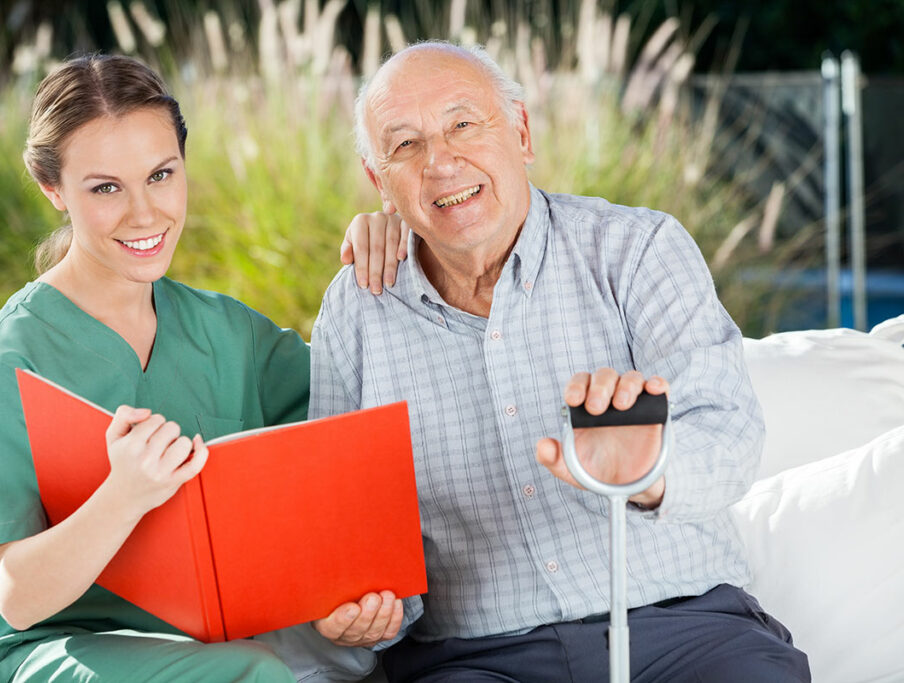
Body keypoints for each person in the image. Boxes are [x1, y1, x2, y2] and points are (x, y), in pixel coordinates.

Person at [308, 41, 811, 681]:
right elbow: (354, 528)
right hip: (476, 660)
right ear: (380, 180)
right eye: (405, 145)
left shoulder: (637, 249)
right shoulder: (358, 309)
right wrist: (370, 609)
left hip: (686, 629)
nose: (440, 162)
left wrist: (647, 470)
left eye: (464, 124)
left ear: (520, 132)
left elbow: (728, 434)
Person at [0, 54, 402, 682]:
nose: (144, 214)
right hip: (21, 648)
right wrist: (125, 495)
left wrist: (398, 242)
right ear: (53, 189)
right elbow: (17, 598)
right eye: (106, 187)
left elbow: (363, 431)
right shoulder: (7, 361)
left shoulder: (228, 333)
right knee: (253, 675)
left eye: (161, 175)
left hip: (181, 645)